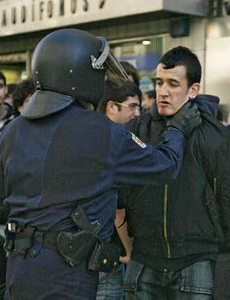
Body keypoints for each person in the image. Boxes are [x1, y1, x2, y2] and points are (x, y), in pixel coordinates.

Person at [0, 29, 202, 300]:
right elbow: (166, 166)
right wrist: (178, 129)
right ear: (80, 74)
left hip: (19, 268)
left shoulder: (11, 131)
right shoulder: (103, 132)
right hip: (68, 274)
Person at [125, 46, 230, 299]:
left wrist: (212, 245)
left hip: (195, 262)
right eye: (159, 82)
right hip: (143, 258)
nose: (163, 91)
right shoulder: (138, 129)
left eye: (173, 84)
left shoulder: (218, 139)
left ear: (193, 90)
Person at [95, 81, 142, 300]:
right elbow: (117, 207)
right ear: (112, 107)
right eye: (132, 106)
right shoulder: (116, 143)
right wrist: (129, 250)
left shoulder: (85, 136)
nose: (137, 113)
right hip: (108, 254)